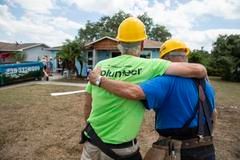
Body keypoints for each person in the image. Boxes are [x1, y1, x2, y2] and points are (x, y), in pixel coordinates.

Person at [81, 17, 207, 160]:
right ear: (142, 44)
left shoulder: (100, 66)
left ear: (118, 44)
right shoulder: (151, 66)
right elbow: (198, 70)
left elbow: (87, 105)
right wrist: (204, 73)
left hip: (91, 142)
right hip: (121, 150)